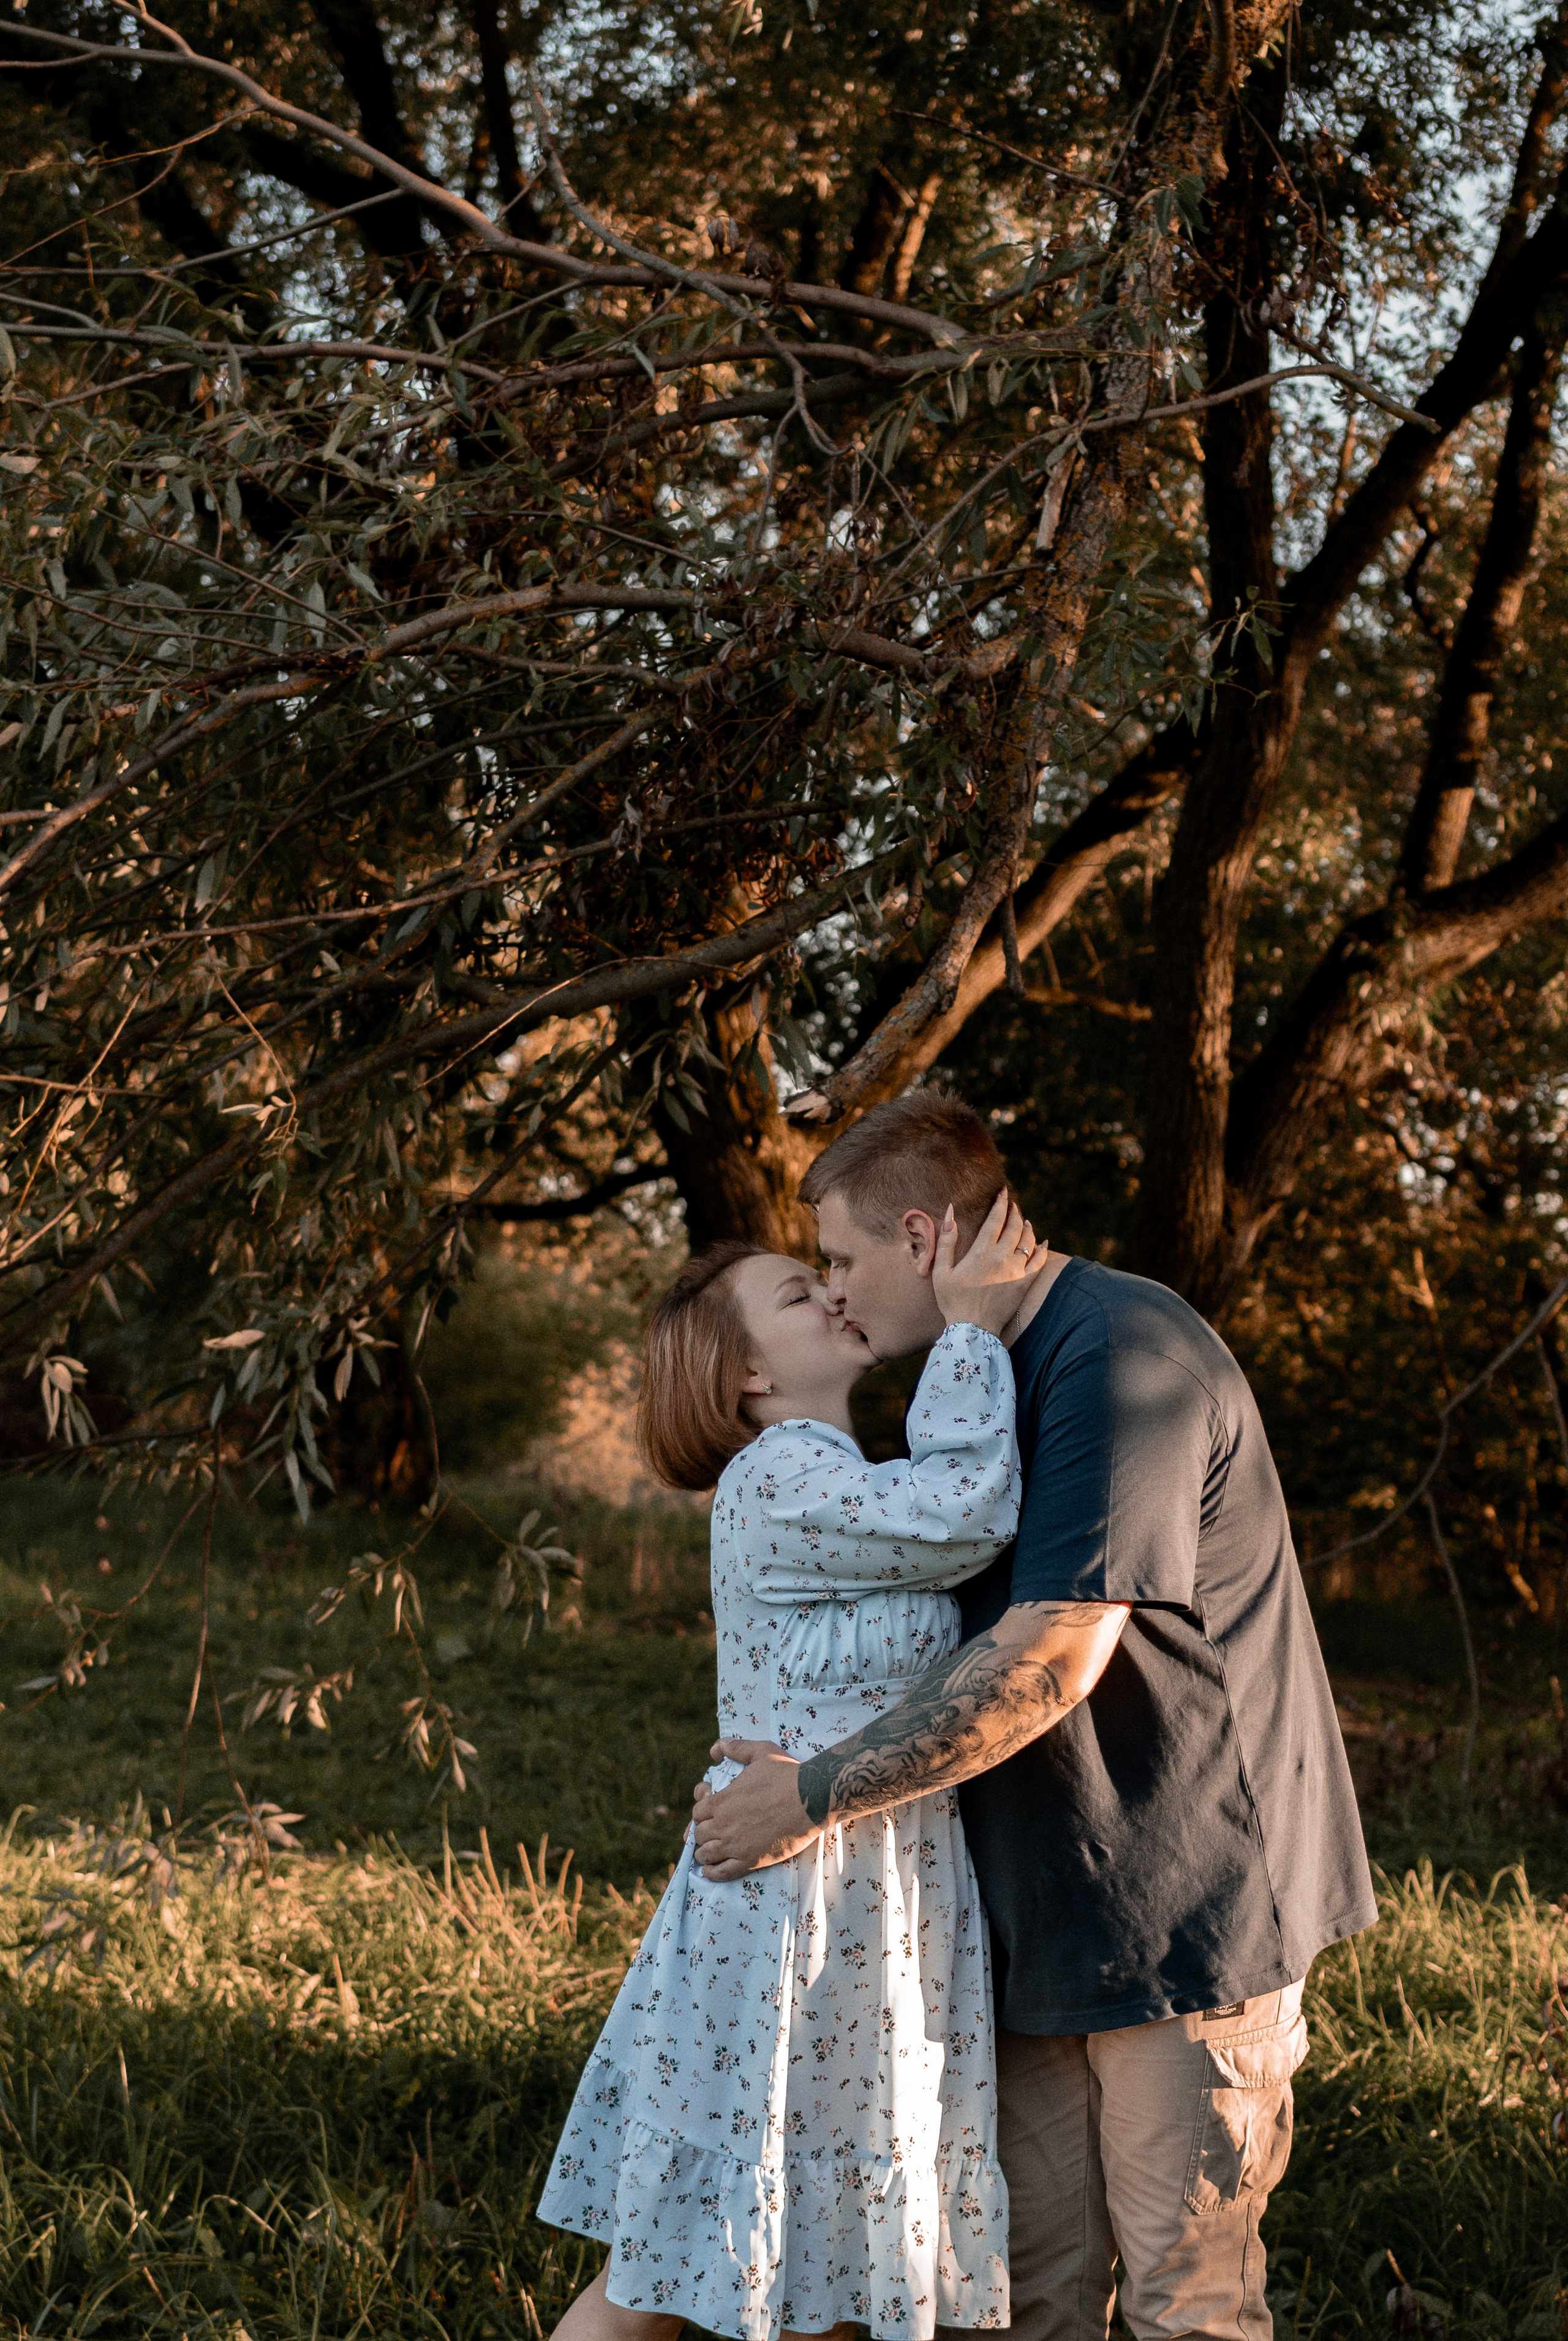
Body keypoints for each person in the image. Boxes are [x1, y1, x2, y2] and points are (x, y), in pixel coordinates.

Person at [693, 1086, 1378, 2341]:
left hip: (1187, 1911)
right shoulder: (967, 1376)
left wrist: (808, 1793)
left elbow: (1048, 1661)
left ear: (919, 1237)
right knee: (1017, 2305)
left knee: (1187, 2307)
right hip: (1029, 1918)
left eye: (841, 1261)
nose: (834, 1294)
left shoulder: (1119, 1352)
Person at [538, 1193, 1049, 2341]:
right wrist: (968, 1328)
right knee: (657, 2281)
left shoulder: (841, 1473)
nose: (829, 1288)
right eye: (792, 1289)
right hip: (789, 1907)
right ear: (747, 1380)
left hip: (873, 1900)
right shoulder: (778, 1474)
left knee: (828, 2263)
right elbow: (973, 1508)